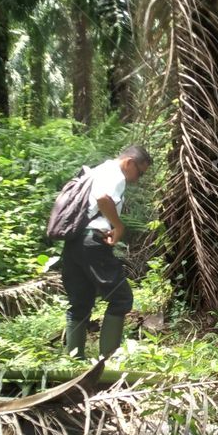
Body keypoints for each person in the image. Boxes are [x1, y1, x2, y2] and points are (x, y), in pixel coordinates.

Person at [62, 145, 151, 359]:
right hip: (93, 242)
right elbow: (103, 199)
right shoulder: (115, 174)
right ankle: (108, 359)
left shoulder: (97, 171)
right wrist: (118, 226)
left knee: (80, 302)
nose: (137, 179)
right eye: (139, 172)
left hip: (74, 241)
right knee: (121, 298)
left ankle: (74, 360)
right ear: (129, 162)